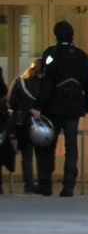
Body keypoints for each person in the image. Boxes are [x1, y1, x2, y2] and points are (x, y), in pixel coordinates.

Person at [30, 21, 88, 197]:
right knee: (71, 148)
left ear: (56, 35)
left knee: (47, 146)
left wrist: (38, 106)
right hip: (74, 108)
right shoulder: (82, 57)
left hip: (53, 107)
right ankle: (69, 185)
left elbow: (46, 84)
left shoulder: (51, 55)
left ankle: (46, 184)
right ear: (72, 35)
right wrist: (86, 107)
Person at [5, 59, 44, 194]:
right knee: (43, 155)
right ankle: (44, 183)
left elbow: (10, 102)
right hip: (42, 122)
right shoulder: (47, 85)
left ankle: (28, 185)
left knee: (26, 155)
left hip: (23, 122)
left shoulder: (20, 81)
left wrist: (25, 108)